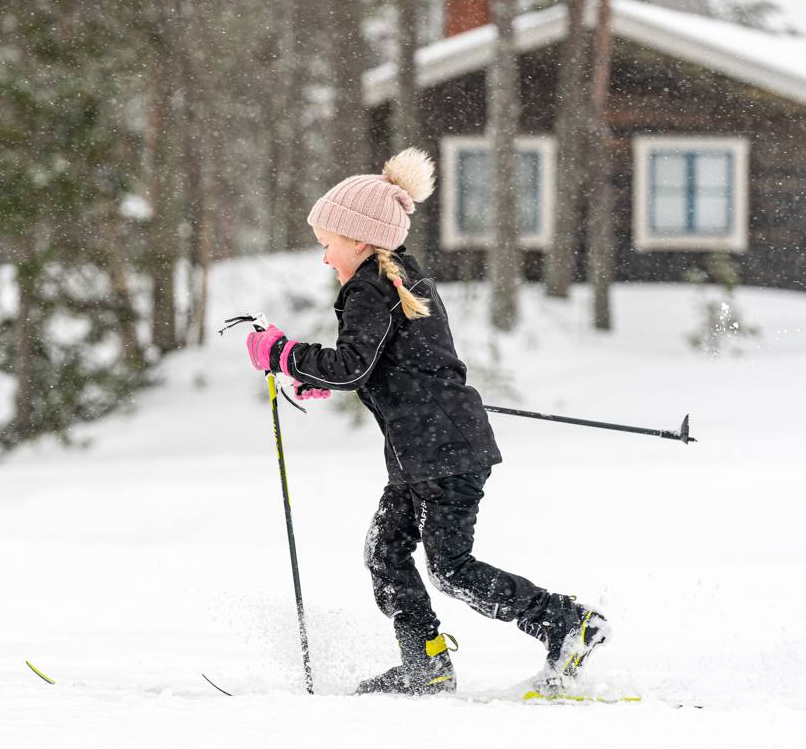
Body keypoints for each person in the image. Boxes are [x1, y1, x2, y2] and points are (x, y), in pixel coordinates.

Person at [244, 147, 610, 696]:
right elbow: (384, 364)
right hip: (429, 449)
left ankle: (566, 623)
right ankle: (426, 664)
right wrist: (323, 377)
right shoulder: (397, 278)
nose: (325, 258)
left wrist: (283, 354)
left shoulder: (370, 286)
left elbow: (354, 363)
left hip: (443, 452)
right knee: (386, 552)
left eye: (327, 244)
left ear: (360, 240)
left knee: (449, 566)